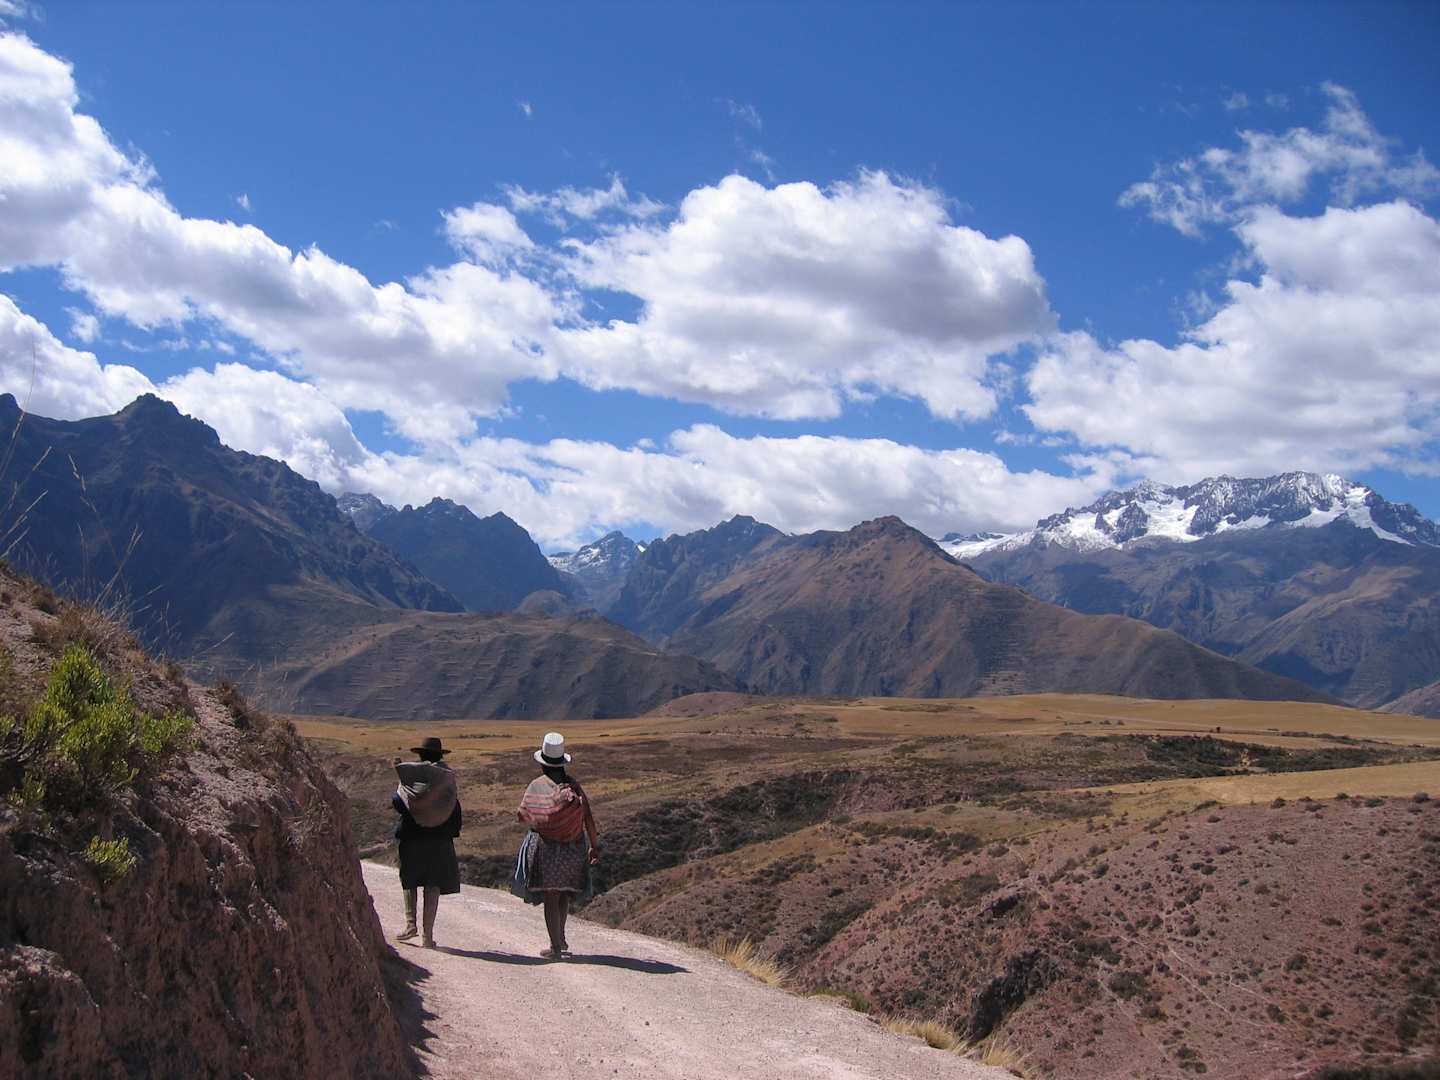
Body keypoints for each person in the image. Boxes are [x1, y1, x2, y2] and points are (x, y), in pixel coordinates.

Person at [516, 732, 600, 959]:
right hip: (574, 848)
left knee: (551, 897)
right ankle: (561, 938)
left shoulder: (537, 785)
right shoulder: (574, 786)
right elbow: (588, 817)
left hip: (548, 849)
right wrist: (595, 846)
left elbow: (522, 815)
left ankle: (554, 947)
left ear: (543, 763)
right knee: (564, 894)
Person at [392, 736, 461, 948]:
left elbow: (397, 802)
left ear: (420, 755)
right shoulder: (446, 778)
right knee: (433, 884)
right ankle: (427, 936)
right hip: (439, 839)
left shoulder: (412, 779)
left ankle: (410, 924)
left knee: (409, 878)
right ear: (440, 755)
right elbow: (454, 807)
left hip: (412, 836)